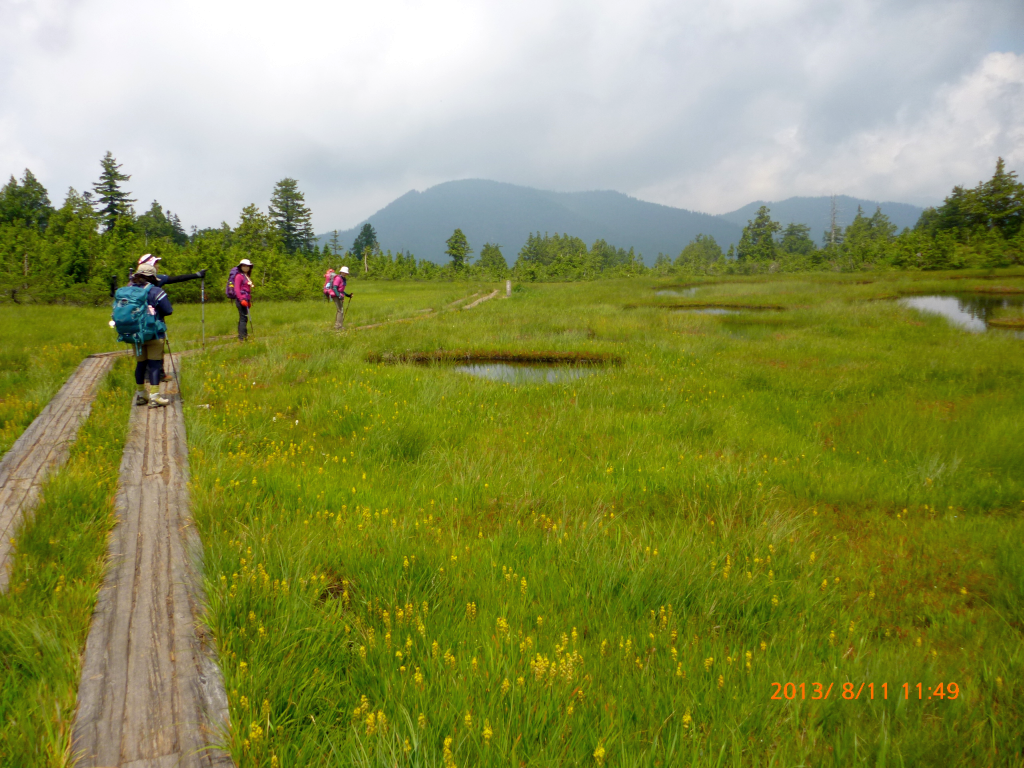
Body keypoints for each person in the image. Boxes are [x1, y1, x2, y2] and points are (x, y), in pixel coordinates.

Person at [126, 263, 173, 408]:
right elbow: (168, 310)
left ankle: (141, 395)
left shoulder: (128, 290)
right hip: (154, 333)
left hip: (135, 334)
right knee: (154, 364)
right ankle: (154, 397)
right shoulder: (155, 291)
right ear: (152, 277)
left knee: (140, 364)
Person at [234, 258, 254, 341]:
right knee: (243, 317)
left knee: (244, 317)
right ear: (241, 267)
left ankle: (243, 335)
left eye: (247, 266)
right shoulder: (239, 276)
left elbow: (247, 290)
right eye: (244, 266)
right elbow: (237, 289)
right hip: (241, 300)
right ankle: (242, 337)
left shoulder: (246, 276)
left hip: (246, 300)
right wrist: (241, 299)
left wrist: (249, 301)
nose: (246, 267)